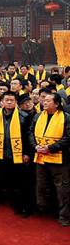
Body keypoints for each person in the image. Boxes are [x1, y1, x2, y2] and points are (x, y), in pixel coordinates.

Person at [29, 92, 70, 226]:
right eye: (43, 100)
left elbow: (67, 138)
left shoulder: (66, 118)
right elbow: (31, 133)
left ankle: (64, 216)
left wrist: (50, 148)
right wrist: (35, 146)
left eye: (48, 101)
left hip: (59, 159)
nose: (44, 102)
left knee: (62, 189)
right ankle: (43, 209)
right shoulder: (38, 116)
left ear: (57, 104)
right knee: (41, 185)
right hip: (40, 157)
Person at [0, 91, 33, 217]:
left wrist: (27, 153)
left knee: (19, 182)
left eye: (12, 100)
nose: (9, 102)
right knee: (6, 179)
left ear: (16, 102)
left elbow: (28, 137)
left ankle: (21, 206)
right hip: (1, 154)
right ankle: (10, 201)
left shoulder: (24, 116)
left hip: (18, 154)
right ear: (2, 102)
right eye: (6, 100)